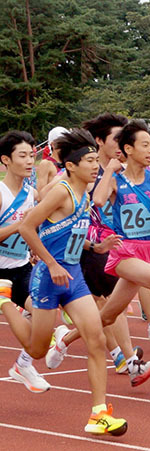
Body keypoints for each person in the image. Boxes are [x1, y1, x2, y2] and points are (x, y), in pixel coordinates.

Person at [57, 120, 150, 382]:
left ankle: (64, 341)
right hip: (122, 252)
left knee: (107, 315)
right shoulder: (116, 179)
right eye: (145, 145)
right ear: (128, 149)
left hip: (146, 250)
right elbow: (97, 199)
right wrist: (110, 171)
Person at [17, 129, 128, 435]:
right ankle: (4, 300)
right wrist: (51, 264)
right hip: (48, 280)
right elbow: (27, 227)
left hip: (74, 276)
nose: (96, 166)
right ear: (72, 166)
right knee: (36, 350)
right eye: (90, 161)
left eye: (96, 160)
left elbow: (72, 236)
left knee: (97, 340)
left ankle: (98, 414)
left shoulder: (85, 196)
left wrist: (96, 247)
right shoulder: (61, 191)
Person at [77, 112, 150, 385]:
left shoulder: (128, 172)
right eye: (116, 139)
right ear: (99, 141)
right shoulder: (86, 168)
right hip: (87, 243)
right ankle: (125, 357)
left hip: (115, 244)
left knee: (108, 306)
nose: (121, 144)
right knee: (105, 304)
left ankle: (123, 356)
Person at [0, 131, 52, 393]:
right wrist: (21, 226)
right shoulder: (0, 193)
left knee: (45, 313)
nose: (30, 160)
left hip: (20, 269)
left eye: (32, 155)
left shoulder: (31, 193)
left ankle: (24, 364)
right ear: (5, 160)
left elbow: (30, 232)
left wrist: (31, 246)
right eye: (22, 156)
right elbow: (20, 227)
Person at [35, 126, 68, 196]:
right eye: (63, 142)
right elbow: (40, 194)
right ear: (53, 144)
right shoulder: (46, 164)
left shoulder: (69, 162)